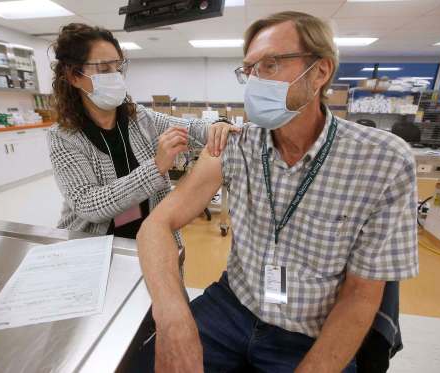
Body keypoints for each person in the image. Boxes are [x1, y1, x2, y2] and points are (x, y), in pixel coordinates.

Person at [136, 11, 419, 373]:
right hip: (233, 307)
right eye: (249, 69)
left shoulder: (383, 160)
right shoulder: (236, 145)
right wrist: (173, 317)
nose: (254, 81)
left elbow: (361, 295)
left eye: (271, 64)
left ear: (320, 72)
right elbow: (156, 225)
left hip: (310, 330)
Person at [47, 23, 238, 242]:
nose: (116, 76)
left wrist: (219, 126)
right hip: (96, 245)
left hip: (151, 237)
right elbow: (89, 204)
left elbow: (193, 129)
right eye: (103, 69)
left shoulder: (139, 118)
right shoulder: (63, 137)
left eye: (118, 68)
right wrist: (156, 167)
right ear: (74, 76)